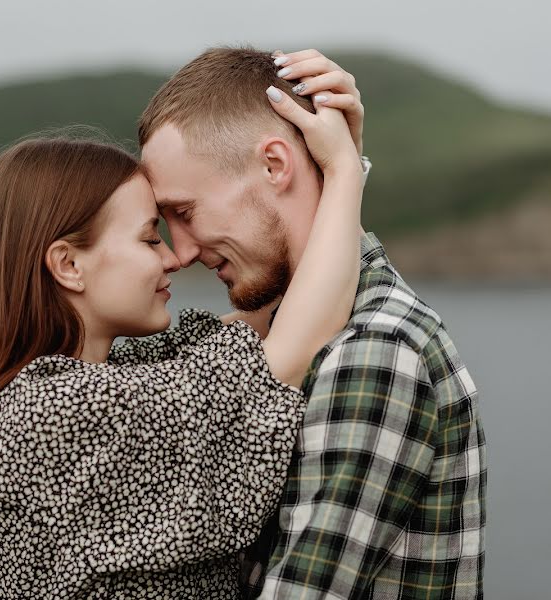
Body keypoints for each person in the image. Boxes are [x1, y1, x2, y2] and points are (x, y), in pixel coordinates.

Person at [0, 59, 367, 598]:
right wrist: (344, 169)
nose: (175, 256)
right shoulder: (50, 414)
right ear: (68, 265)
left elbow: (281, 309)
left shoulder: (119, 373)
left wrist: (317, 167)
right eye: (148, 237)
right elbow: (292, 345)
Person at [138, 46, 486, 599]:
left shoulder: (375, 352)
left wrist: (342, 169)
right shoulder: (281, 331)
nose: (180, 252)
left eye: (185, 212)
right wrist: (341, 170)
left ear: (275, 165)